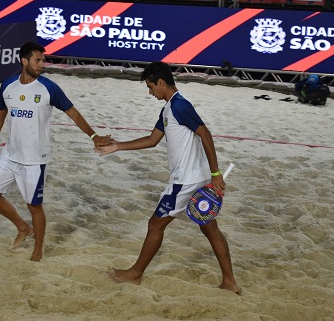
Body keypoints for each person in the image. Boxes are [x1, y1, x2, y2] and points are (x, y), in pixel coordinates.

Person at [96, 61, 241, 294]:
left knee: (155, 224)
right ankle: (230, 282)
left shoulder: (179, 106)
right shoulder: (168, 108)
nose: (150, 92)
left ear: (161, 82)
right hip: (197, 177)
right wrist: (117, 147)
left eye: (151, 86)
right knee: (210, 228)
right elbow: (152, 140)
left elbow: (205, 134)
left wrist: (216, 173)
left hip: (185, 181)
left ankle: (135, 274)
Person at [0, 41, 110, 262]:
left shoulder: (49, 88)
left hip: (35, 159)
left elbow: (73, 113)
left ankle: (37, 251)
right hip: (10, 154)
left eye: (43, 60)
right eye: (37, 60)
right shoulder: (8, 86)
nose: (42, 64)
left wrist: (94, 137)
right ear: (24, 61)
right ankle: (23, 228)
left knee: (34, 206)